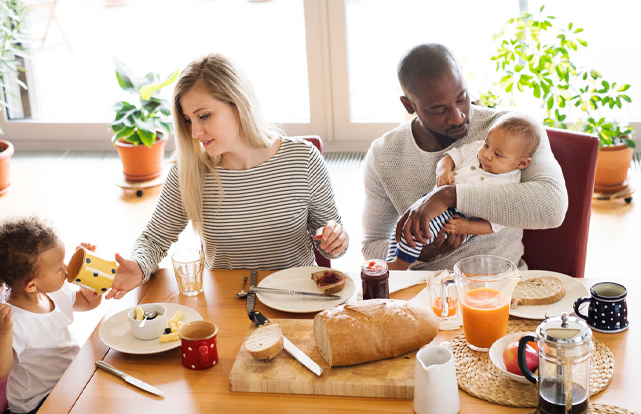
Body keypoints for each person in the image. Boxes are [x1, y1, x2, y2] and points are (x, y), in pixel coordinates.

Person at [106, 54, 348, 299]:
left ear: (239, 103)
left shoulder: (303, 158)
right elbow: (154, 238)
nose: (195, 132)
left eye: (204, 116)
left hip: (300, 300)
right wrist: (138, 266)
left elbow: (333, 242)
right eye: (188, 120)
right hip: (230, 304)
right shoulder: (189, 171)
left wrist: (335, 240)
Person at [362, 43, 567, 270]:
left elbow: (553, 207)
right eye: (439, 110)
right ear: (409, 105)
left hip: (502, 288)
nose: (458, 117)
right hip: (425, 293)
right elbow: (371, 245)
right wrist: (421, 252)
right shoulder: (383, 155)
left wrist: (448, 196)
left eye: (462, 98)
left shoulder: (512, 132)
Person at [0, 216, 102, 414]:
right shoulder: (10, 321)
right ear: (32, 285)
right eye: (59, 268)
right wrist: (4, 332)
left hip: (69, 378)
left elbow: (88, 303)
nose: (66, 271)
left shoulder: (53, 291)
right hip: (36, 403)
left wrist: (86, 273)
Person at [385, 113, 542, 270]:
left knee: (419, 228)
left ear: (521, 163)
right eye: (487, 145)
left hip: (457, 218)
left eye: (497, 155)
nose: (486, 155)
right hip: (431, 199)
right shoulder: (475, 148)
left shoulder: (510, 187)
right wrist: (443, 171)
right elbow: (450, 157)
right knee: (404, 224)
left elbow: (494, 224)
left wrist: (466, 226)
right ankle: (392, 261)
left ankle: (399, 266)